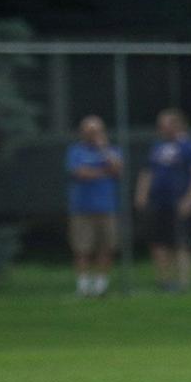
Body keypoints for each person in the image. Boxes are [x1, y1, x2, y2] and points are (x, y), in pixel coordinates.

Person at [134, 109, 191, 292]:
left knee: (181, 243)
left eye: (165, 124)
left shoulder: (189, 147)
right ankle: (164, 281)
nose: (161, 128)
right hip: (158, 202)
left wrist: (190, 199)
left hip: (179, 201)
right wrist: (141, 194)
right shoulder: (157, 147)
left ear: (177, 125)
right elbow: (148, 171)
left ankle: (183, 282)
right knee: (158, 242)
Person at [65, 115, 122, 297]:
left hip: (106, 207)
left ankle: (100, 286)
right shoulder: (76, 151)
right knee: (82, 248)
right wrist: (104, 172)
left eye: (96, 131)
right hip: (81, 208)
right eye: (89, 131)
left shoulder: (112, 151)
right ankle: (83, 286)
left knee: (106, 247)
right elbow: (80, 173)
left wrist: (103, 149)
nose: (92, 134)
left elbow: (117, 170)